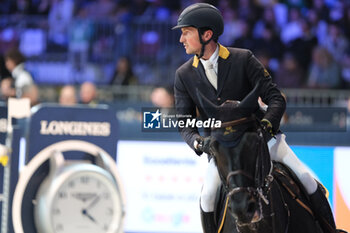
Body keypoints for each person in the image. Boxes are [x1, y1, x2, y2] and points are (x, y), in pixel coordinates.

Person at [172, 3, 338, 233]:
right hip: (223, 150)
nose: (182, 39)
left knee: (308, 180)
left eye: (186, 32)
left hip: (261, 141)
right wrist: (200, 143)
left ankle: (331, 230)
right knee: (208, 197)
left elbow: (276, 98)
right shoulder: (184, 75)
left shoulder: (243, 59)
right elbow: (184, 121)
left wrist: (268, 126)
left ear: (206, 34)